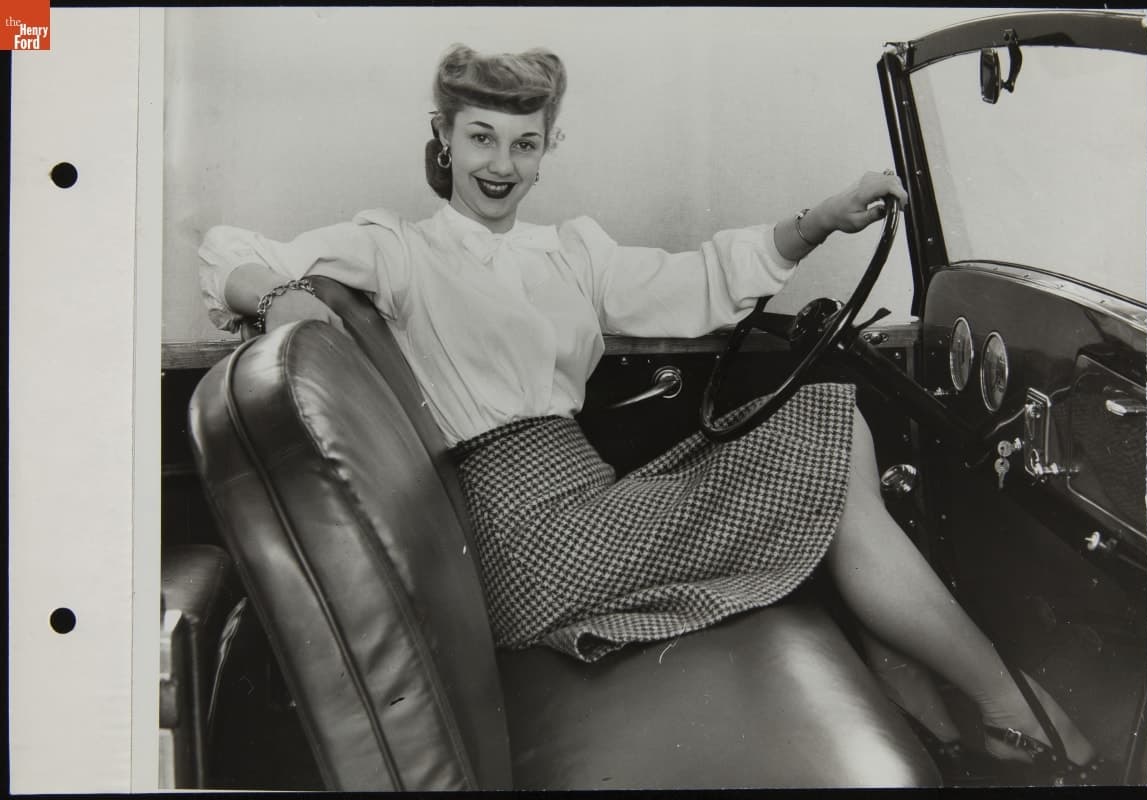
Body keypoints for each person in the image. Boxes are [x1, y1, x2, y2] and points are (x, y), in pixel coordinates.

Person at [198, 44, 1097, 779]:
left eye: (523, 143)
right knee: (833, 450)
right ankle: (1019, 712)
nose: (499, 166)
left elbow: (702, 283)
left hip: (582, 499)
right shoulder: (396, 253)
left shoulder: (571, 253)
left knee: (837, 427)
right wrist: (281, 293)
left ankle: (953, 706)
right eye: (480, 139)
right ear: (442, 137)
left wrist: (821, 217)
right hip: (522, 538)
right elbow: (225, 250)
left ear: (550, 147)